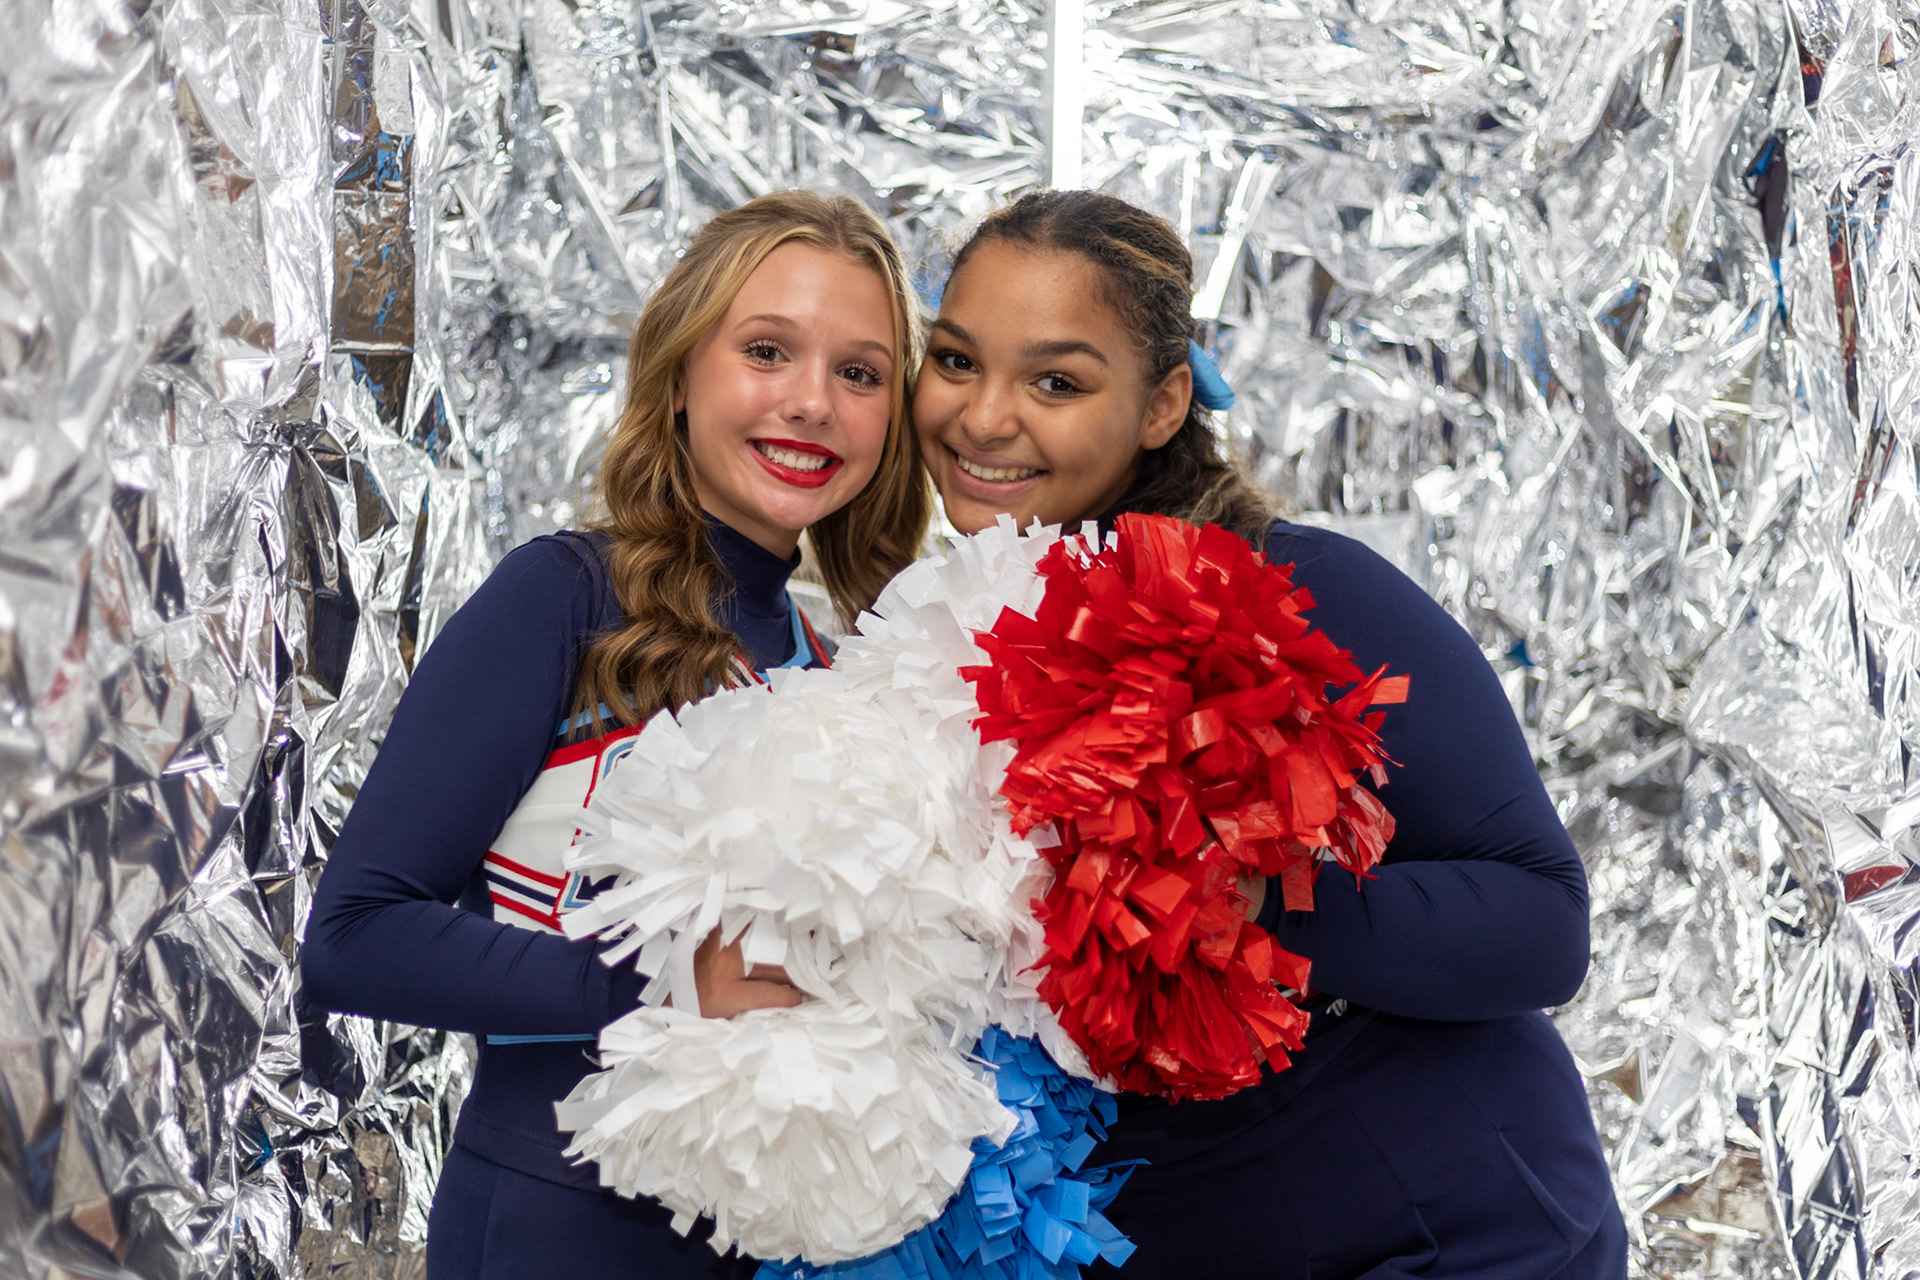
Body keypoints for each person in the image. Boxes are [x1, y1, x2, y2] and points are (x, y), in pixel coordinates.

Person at [911, 188, 1628, 1278]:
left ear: (1163, 404)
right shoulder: (926, 650)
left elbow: (1544, 923)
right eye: (957, 361)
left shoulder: (1300, 591)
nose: (984, 417)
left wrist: (1260, 902)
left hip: (1448, 1235)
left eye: (1057, 381)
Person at [301, 191, 932, 1280]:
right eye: (767, 350)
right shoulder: (561, 597)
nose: (812, 402)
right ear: (680, 371)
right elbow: (354, 936)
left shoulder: (835, 667)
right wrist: (653, 983)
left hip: (770, 1250)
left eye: (861, 373)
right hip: (557, 1231)